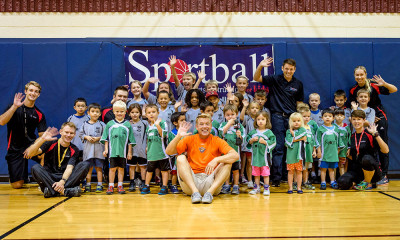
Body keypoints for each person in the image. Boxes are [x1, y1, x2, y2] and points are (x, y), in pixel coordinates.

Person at [165, 114, 239, 204]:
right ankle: (195, 193)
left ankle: (209, 194)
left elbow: (235, 156)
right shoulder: (189, 139)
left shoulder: (217, 140)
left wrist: (216, 160)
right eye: (201, 124)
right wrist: (178, 136)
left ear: (211, 126)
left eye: (207, 124)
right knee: (180, 158)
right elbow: (169, 152)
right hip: (191, 183)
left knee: (227, 162)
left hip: (211, 182)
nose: (205, 126)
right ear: (197, 127)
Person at [253, 57, 304, 187]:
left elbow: (299, 103)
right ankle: (276, 178)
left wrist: (298, 120)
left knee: (291, 148)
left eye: (291, 69)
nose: (288, 71)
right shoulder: (275, 79)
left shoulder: (298, 84)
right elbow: (256, 77)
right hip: (277, 117)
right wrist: (260, 66)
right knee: (278, 148)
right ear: (282, 68)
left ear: (294, 70)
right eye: (286, 68)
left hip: (292, 118)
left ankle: (288, 176)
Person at [349, 66, 397, 185]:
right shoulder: (353, 90)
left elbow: (394, 90)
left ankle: (384, 174)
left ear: (365, 74)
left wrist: (384, 83)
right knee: (368, 145)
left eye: (361, 74)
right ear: (354, 76)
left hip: (378, 118)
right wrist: (366, 119)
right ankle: (367, 174)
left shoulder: (373, 85)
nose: (359, 77)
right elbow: (353, 110)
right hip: (365, 118)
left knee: (382, 144)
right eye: (357, 75)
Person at [0, 81, 47, 189]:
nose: (33, 93)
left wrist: (39, 151)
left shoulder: (39, 114)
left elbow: (42, 136)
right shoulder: (13, 107)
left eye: (36, 91)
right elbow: (1, 122)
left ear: (38, 94)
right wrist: (14, 107)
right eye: (30, 90)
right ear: (26, 91)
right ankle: (18, 176)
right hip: (15, 148)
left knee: (47, 152)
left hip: (31, 145)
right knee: (17, 185)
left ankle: (44, 180)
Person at [25, 123, 90, 198]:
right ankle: (66, 191)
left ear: (74, 134)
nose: (68, 135)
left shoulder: (74, 149)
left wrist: (62, 181)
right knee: (35, 168)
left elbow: (69, 168)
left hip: (66, 178)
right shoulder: (50, 143)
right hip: (50, 177)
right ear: (61, 132)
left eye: (71, 133)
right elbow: (30, 153)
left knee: (85, 164)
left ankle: (51, 191)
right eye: (66, 132)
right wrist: (42, 140)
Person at [338, 110, 389, 190]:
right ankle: (360, 183)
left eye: (359, 119)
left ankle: (368, 183)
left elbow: (386, 150)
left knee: (366, 158)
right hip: (358, 171)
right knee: (342, 182)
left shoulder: (370, 134)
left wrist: (376, 134)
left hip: (373, 171)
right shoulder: (351, 137)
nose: (356, 121)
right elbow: (351, 156)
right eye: (354, 119)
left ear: (364, 120)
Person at [100, 100, 136, 195]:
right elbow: (106, 138)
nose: (119, 113)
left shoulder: (127, 124)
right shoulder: (110, 124)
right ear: (114, 112)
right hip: (112, 152)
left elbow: (130, 140)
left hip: (123, 152)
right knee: (112, 169)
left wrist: (129, 152)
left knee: (121, 169)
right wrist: (106, 149)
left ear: (125, 112)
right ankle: (111, 186)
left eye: (121, 111)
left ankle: (120, 185)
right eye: (117, 111)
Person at [140, 104, 171, 195]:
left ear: (158, 112)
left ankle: (164, 186)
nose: (151, 114)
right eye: (149, 113)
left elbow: (163, 135)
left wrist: (157, 125)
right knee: (149, 171)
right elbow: (148, 138)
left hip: (162, 153)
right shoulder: (148, 126)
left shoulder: (162, 123)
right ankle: (147, 185)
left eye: (153, 112)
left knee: (164, 171)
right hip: (151, 153)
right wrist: (147, 147)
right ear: (146, 115)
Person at [246, 111, 276, 195]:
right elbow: (247, 140)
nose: (260, 121)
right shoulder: (253, 132)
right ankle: (256, 188)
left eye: (263, 119)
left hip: (265, 158)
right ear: (255, 121)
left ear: (267, 120)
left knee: (265, 174)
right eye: (258, 119)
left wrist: (265, 142)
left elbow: (274, 142)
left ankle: (266, 188)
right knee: (256, 174)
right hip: (255, 157)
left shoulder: (269, 132)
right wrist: (251, 140)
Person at [79, 103, 106, 193]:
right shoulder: (84, 124)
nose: (95, 113)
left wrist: (99, 138)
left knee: (99, 168)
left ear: (100, 114)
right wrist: (86, 137)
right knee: (89, 169)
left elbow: (105, 136)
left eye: (97, 112)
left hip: (99, 150)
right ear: (88, 113)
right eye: (93, 111)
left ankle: (99, 184)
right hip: (88, 151)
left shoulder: (102, 124)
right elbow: (81, 134)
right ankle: (88, 184)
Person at [315, 109, 344, 190]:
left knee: (332, 169)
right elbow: (317, 141)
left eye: (330, 116)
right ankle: (323, 182)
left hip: (333, 154)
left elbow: (339, 142)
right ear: (322, 118)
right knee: (323, 169)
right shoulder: (320, 129)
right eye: (325, 116)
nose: (327, 118)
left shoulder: (336, 129)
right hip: (324, 154)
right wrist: (319, 151)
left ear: (333, 118)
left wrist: (337, 152)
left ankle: (332, 181)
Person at [218, 104, 245, 195]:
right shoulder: (223, 124)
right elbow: (221, 133)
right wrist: (229, 123)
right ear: (225, 116)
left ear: (236, 114)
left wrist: (239, 136)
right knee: (226, 170)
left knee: (235, 170)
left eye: (232, 114)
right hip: (225, 154)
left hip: (235, 153)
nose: (230, 117)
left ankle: (236, 186)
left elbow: (242, 139)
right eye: (228, 115)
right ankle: (226, 185)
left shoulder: (239, 126)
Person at [127, 103, 148, 192]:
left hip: (142, 149)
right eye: (132, 112)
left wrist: (147, 146)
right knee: (132, 166)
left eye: (137, 112)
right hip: (131, 150)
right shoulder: (127, 124)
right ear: (129, 114)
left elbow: (148, 136)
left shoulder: (145, 123)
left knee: (143, 167)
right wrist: (129, 151)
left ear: (140, 113)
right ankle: (132, 182)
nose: (134, 114)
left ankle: (143, 182)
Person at [285, 112, 307, 194]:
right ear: (291, 122)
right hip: (290, 155)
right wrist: (298, 139)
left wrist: (294, 136)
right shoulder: (288, 131)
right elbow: (287, 142)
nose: (296, 122)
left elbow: (302, 136)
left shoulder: (303, 129)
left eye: (298, 120)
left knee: (299, 171)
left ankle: (299, 187)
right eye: (294, 121)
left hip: (300, 155)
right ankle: (290, 188)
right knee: (290, 172)